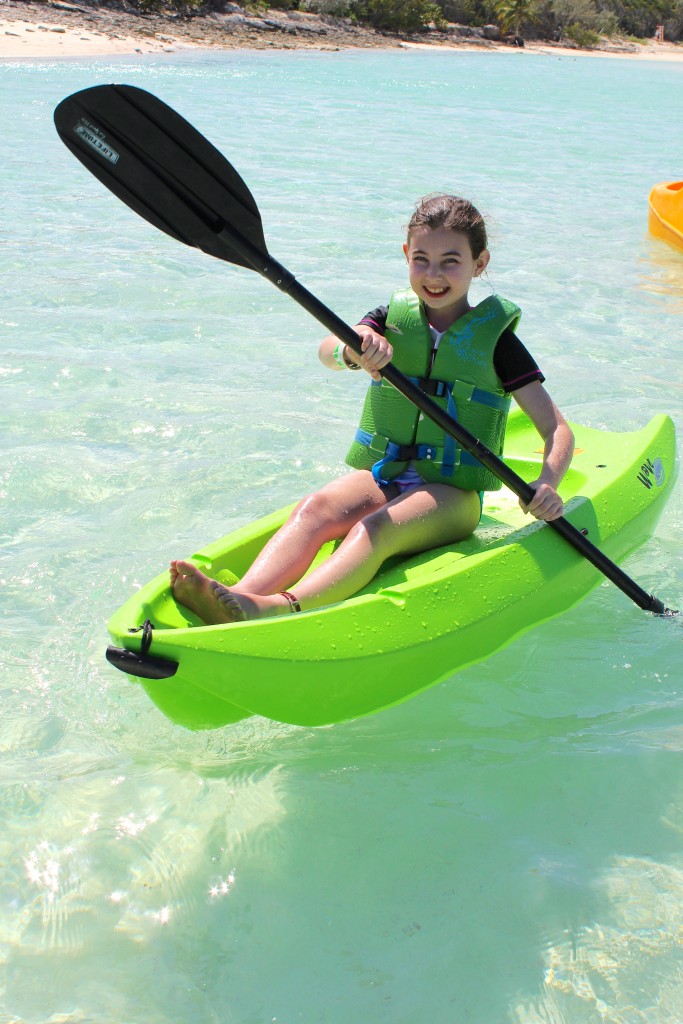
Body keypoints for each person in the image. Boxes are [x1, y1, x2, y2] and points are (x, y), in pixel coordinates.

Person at [170, 194, 574, 625]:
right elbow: (326, 352)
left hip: (453, 496)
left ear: (480, 263)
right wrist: (353, 350)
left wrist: (548, 482)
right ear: (406, 256)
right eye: (422, 259)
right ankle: (236, 595)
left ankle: (279, 606)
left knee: (376, 528)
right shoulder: (386, 320)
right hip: (389, 473)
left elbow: (556, 428)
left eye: (450, 261)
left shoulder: (498, 344)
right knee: (315, 507)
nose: (434, 275)